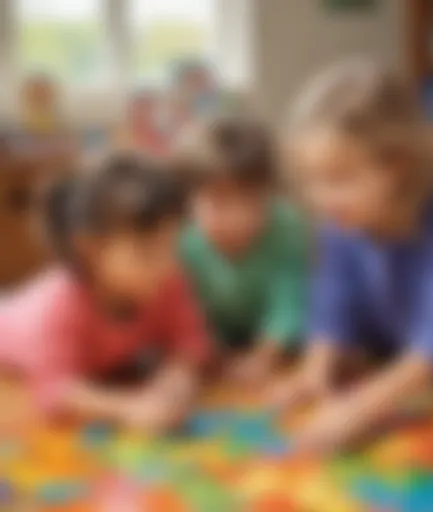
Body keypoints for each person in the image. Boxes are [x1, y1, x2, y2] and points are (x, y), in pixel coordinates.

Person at [277, 57, 433, 452]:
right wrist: (315, 368)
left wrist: (362, 406)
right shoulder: (343, 215)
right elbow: (333, 292)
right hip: (420, 365)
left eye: (339, 177)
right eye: (311, 180)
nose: (322, 198)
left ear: (396, 165)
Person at [0, 154, 212, 432]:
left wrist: (178, 376)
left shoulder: (167, 279)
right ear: (91, 248)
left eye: (171, 247)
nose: (167, 266)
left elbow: (191, 340)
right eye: (148, 253)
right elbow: (54, 391)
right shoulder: (60, 302)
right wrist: (127, 408)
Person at [176, 116, 309, 386]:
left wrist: (265, 355)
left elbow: (288, 300)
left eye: (250, 200)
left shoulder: (286, 226)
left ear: (270, 192)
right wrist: (208, 355)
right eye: (218, 202)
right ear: (188, 200)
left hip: (278, 340)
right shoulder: (180, 240)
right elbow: (182, 311)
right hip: (210, 341)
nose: (238, 218)